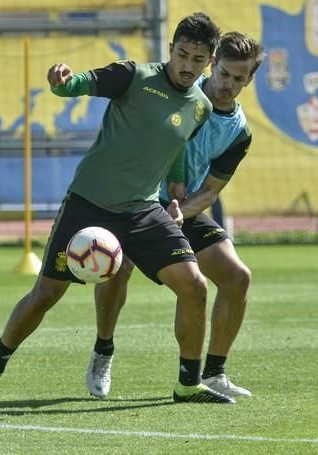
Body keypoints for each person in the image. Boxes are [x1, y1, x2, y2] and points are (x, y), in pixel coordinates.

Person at [0, 12, 235, 407]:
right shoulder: (134, 75)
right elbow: (82, 83)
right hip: (89, 204)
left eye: (197, 59)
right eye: (182, 54)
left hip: (144, 211)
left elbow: (175, 147)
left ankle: (187, 385)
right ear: (171, 49)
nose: (187, 65)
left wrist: (176, 191)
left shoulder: (200, 107)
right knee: (46, 293)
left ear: (209, 62)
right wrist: (62, 83)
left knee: (194, 286)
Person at [86, 31, 265, 401]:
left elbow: (211, 191)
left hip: (181, 209)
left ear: (250, 80)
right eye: (224, 74)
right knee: (117, 270)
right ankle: (103, 350)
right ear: (212, 65)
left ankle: (214, 374)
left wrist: (181, 212)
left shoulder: (239, 132)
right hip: (137, 200)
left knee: (237, 277)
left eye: (239, 79)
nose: (228, 85)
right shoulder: (181, 93)